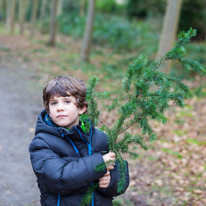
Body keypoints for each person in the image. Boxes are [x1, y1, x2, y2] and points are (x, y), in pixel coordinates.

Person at [29, 75, 129, 206]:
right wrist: (98, 164)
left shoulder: (101, 138)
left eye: (67, 101)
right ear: (48, 110)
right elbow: (58, 179)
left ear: (81, 108)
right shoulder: (42, 143)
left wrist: (109, 182)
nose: (59, 107)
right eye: (54, 103)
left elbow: (121, 174)